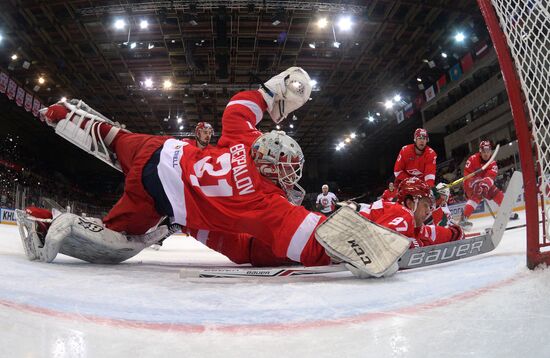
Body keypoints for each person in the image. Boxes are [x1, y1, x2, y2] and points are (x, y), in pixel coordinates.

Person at [19, 67, 401, 278]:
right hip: (156, 198)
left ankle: (59, 113)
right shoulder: (266, 201)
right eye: (287, 171)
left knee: (116, 136)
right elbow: (309, 243)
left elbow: (240, 105)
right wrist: (356, 252)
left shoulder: (244, 137)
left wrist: (273, 91)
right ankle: (45, 222)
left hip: (162, 149)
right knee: (115, 238)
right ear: (275, 169)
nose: (290, 178)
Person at [355, 177, 464, 248]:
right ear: (410, 203)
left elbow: (443, 233)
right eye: (425, 205)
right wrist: (415, 243)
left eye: (430, 206)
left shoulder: (419, 228)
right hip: (350, 230)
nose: (428, 211)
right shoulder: (403, 213)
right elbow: (382, 241)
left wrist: (456, 233)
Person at [460, 140, 504, 227]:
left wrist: (484, 185)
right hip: (471, 185)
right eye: (484, 151)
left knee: (496, 192)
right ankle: (463, 218)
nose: (486, 153)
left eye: (488, 151)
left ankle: (507, 212)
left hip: (485, 184)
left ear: (491, 151)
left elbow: (490, 177)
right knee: (477, 195)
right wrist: (474, 183)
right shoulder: (472, 159)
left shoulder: (493, 163)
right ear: (480, 151)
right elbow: (467, 176)